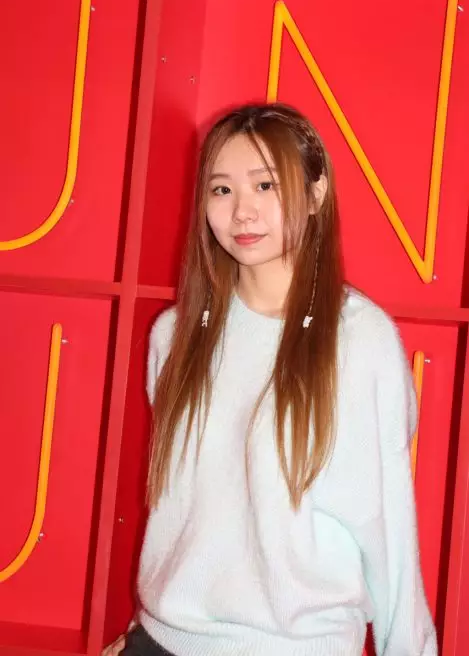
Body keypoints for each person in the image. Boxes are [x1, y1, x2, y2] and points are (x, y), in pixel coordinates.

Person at [103, 102, 437, 655]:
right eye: (222, 189)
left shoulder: (358, 341)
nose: (243, 212)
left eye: (265, 185)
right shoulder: (176, 335)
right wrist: (145, 632)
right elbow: (187, 509)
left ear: (316, 193)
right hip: (163, 641)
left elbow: (388, 530)